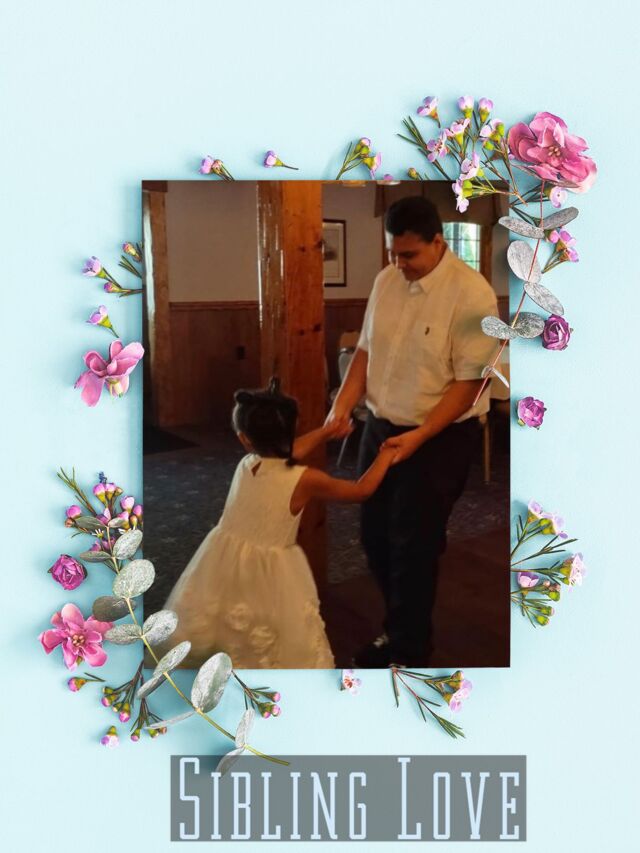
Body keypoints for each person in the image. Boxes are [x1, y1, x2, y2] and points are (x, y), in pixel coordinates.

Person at [326, 195, 499, 667]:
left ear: (438, 242)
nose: (399, 264)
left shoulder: (472, 294)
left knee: (413, 547)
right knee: (373, 537)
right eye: (392, 253)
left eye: (409, 255)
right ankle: (398, 628)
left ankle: (408, 650)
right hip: (380, 429)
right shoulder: (386, 280)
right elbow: (365, 351)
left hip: (437, 438)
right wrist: (342, 404)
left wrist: (420, 437)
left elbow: (470, 384)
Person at [156, 379, 397, 669]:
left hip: (223, 561)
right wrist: (385, 456)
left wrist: (326, 432)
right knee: (272, 632)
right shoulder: (304, 479)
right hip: (271, 572)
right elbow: (360, 490)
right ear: (292, 429)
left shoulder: (248, 464)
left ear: (245, 439)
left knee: (224, 624)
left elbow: (286, 454)